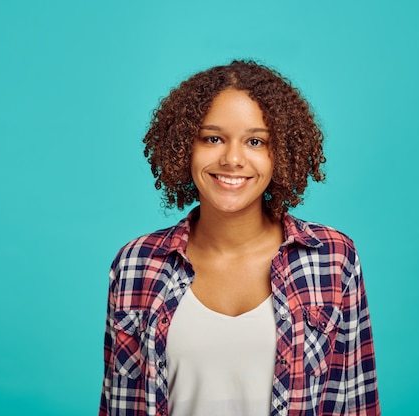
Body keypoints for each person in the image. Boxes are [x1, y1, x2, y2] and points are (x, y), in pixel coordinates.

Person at [100, 60, 380, 416]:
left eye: (255, 141)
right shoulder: (136, 265)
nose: (232, 158)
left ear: (280, 153)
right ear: (185, 145)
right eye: (213, 138)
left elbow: (354, 402)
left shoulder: (332, 258)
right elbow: (119, 405)